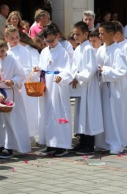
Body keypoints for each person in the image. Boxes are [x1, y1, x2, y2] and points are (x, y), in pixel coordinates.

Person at [0, 38, 30, 158]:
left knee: (10, 121)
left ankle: (10, 146)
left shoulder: (13, 60)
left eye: (2, 51)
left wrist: (12, 81)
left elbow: (21, 75)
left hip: (11, 93)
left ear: (6, 49)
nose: (1, 54)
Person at [35, 24, 73, 157]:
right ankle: (50, 143)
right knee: (47, 114)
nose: (50, 43)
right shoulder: (45, 51)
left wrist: (61, 77)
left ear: (57, 37)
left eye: (52, 40)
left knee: (59, 113)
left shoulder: (63, 51)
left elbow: (68, 69)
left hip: (57, 85)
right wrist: (38, 70)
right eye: (47, 41)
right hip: (46, 84)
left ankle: (61, 145)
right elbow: (42, 66)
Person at [95, 21, 127, 154]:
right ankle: (102, 143)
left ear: (111, 34)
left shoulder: (117, 51)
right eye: (99, 33)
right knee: (103, 115)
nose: (100, 36)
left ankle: (116, 143)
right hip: (103, 86)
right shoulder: (101, 50)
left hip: (114, 89)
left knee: (114, 116)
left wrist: (105, 70)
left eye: (102, 33)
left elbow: (122, 71)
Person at [70, 21, 103, 155]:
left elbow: (91, 69)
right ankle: (82, 141)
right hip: (80, 87)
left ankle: (89, 144)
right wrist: (73, 75)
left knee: (88, 115)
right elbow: (73, 66)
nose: (76, 36)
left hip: (88, 87)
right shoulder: (78, 49)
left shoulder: (89, 49)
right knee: (80, 114)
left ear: (85, 34)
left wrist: (77, 76)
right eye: (74, 34)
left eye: (78, 34)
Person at [5, 26, 39, 142]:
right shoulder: (6, 51)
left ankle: (28, 133)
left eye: (17, 37)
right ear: (7, 38)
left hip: (21, 85)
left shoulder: (23, 51)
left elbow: (27, 68)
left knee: (25, 110)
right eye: (12, 38)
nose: (15, 40)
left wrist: (16, 79)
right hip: (9, 85)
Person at [113, 20, 127, 140]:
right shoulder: (115, 46)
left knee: (124, 106)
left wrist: (118, 70)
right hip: (115, 79)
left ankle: (125, 132)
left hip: (124, 80)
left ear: (117, 33)